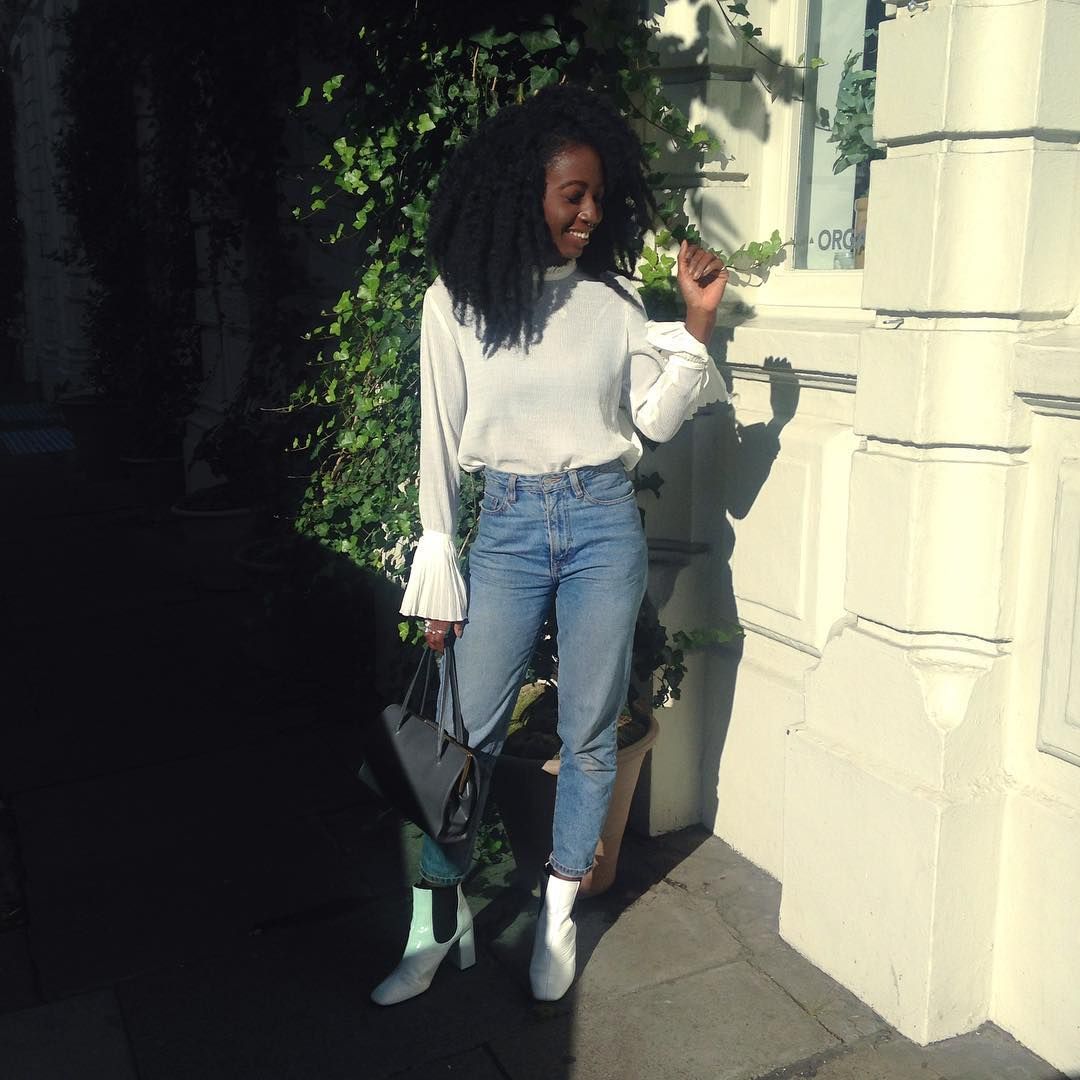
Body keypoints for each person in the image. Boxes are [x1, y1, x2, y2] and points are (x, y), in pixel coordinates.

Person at [371, 83, 728, 1006]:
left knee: (589, 733)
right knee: (463, 735)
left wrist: (695, 323)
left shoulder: (613, 299)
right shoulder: (456, 303)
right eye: (574, 194)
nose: (590, 213)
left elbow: (652, 421)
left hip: (604, 519)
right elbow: (437, 440)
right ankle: (435, 925)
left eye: (599, 196)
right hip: (508, 529)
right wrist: (439, 564)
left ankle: (559, 918)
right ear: (523, 191)